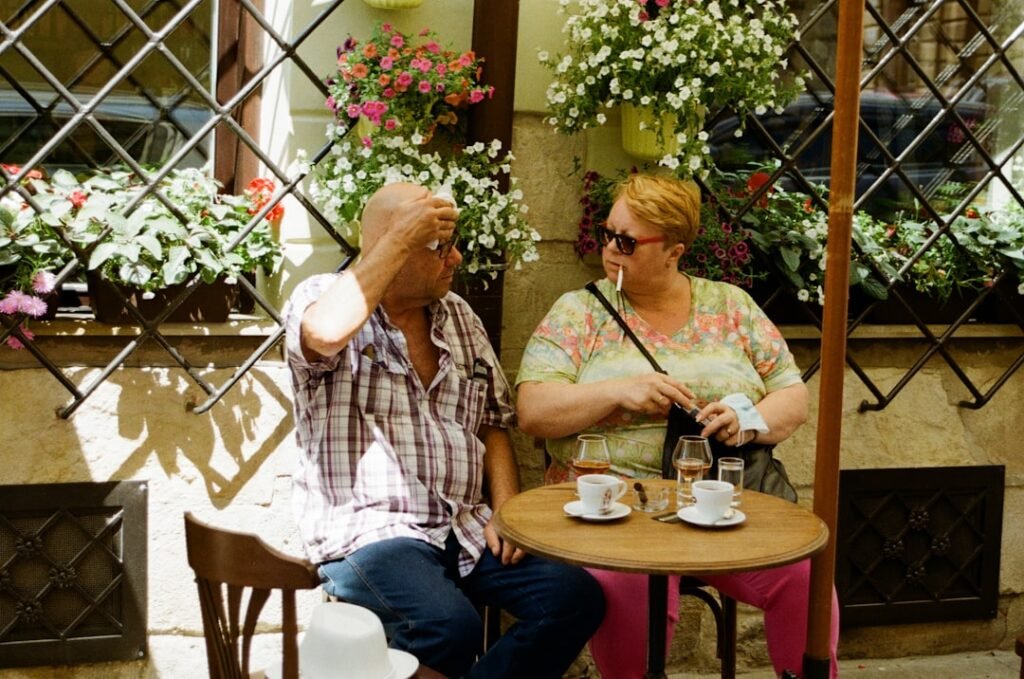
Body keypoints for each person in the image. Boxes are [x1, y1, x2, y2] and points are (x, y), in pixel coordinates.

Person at [515, 173, 840, 678]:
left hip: (719, 503)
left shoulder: (730, 306)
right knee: (633, 583)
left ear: (673, 250)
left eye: (628, 242)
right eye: (608, 235)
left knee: (805, 574)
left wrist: (745, 421)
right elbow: (533, 410)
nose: (611, 251)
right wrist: (617, 391)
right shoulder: (578, 312)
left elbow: (792, 396)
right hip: (614, 509)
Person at [282, 182, 604, 679]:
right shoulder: (323, 298)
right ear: (394, 247)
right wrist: (397, 239)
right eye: (438, 247)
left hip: (467, 527)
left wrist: (506, 512)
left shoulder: (459, 316)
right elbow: (322, 335)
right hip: (373, 533)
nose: (455, 258)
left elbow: (495, 422)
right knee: (448, 626)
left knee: (574, 598)